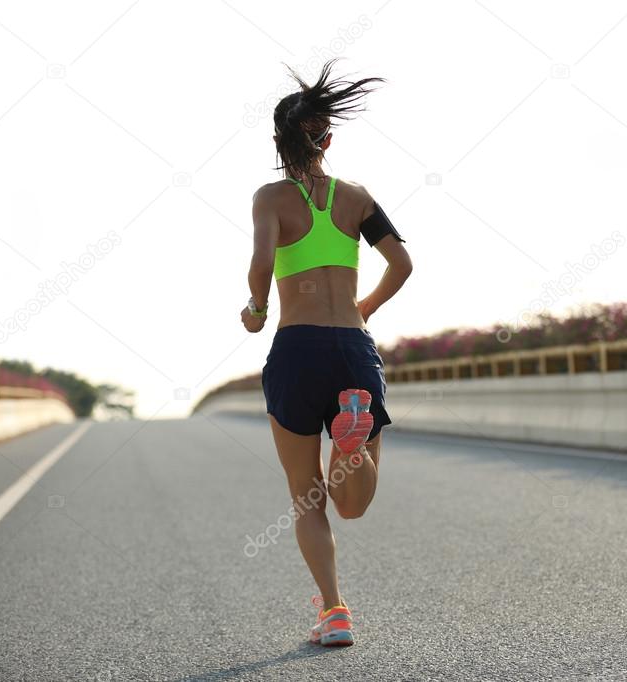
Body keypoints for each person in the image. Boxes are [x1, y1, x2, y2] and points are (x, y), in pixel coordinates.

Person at [240, 60, 412, 647]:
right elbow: (403, 265)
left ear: (277, 141)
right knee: (353, 502)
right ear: (328, 139)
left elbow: (263, 262)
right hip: (352, 352)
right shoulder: (358, 198)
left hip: (295, 349)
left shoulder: (270, 197)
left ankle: (335, 611)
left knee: (304, 493)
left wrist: (257, 308)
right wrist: (363, 310)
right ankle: (352, 442)